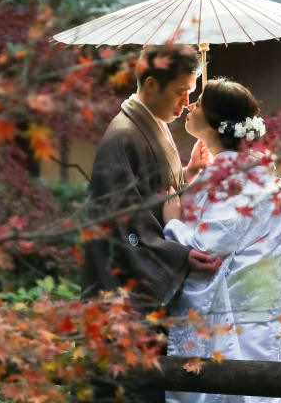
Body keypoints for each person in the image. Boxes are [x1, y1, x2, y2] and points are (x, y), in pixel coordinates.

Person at [82, 44, 222, 402]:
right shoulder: (123, 135)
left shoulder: (154, 124)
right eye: (180, 91)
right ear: (150, 85)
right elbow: (123, 226)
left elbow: (157, 195)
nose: (186, 103)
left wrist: (188, 173)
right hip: (121, 290)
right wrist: (177, 254)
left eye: (190, 93)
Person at [163, 78, 281, 403]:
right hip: (269, 327)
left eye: (200, 102)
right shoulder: (280, 189)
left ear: (215, 122)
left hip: (233, 333)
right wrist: (194, 177)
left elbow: (205, 251)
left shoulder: (229, 185)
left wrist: (173, 222)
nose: (190, 105)